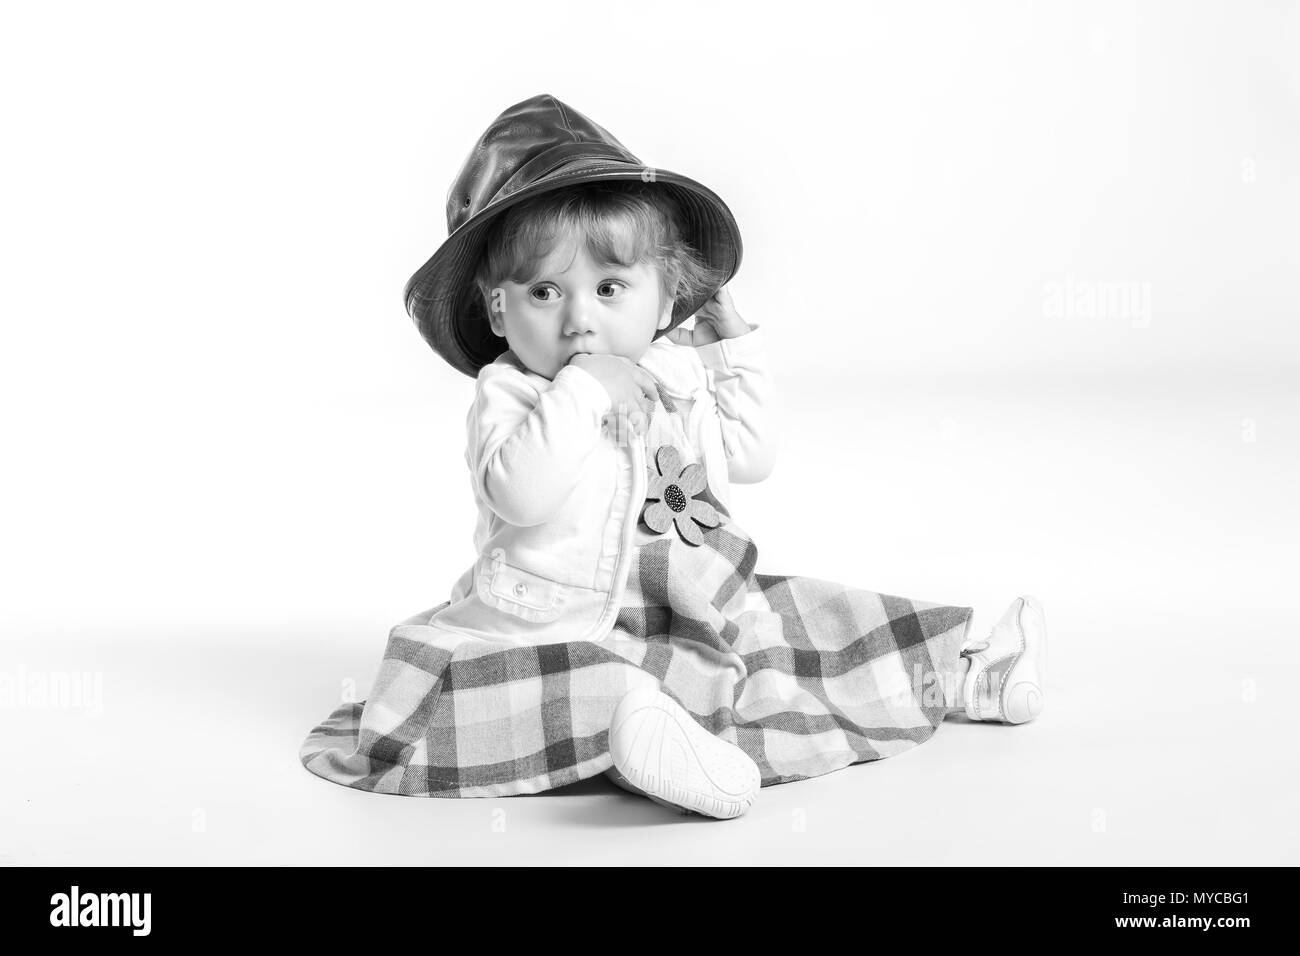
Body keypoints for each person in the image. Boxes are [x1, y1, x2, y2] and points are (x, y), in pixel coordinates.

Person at [300, 94, 1047, 820]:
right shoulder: (514, 393)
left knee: (801, 624)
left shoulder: (675, 373)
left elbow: (750, 458)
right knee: (447, 670)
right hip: (559, 628)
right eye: (545, 291)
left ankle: (969, 675)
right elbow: (520, 497)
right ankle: (637, 731)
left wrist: (732, 343)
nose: (579, 318)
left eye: (610, 287)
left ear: (663, 302)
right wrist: (587, 387)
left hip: (684, 615)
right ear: (499, 309)